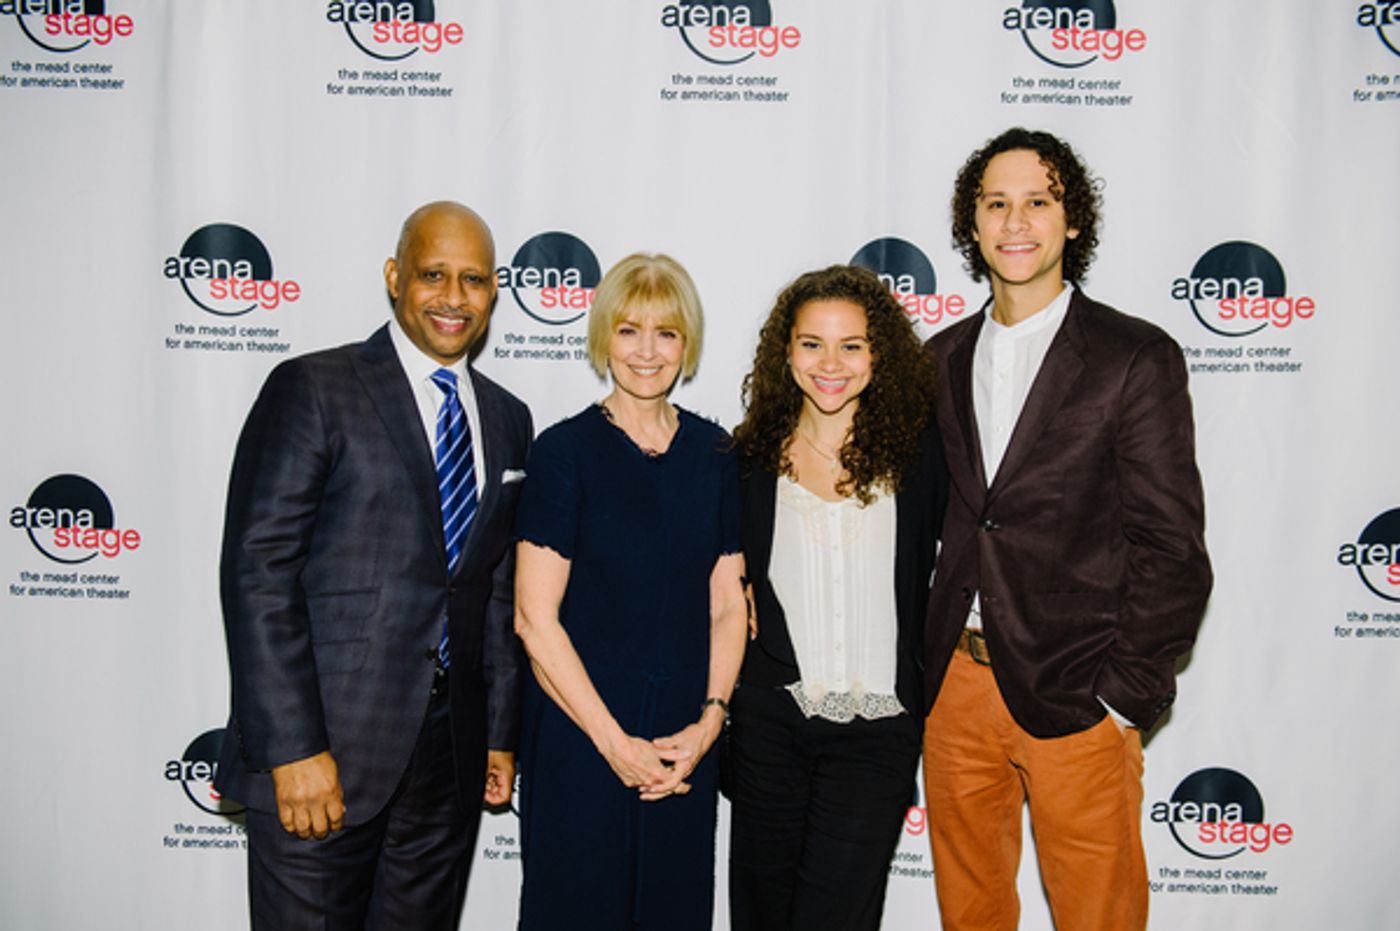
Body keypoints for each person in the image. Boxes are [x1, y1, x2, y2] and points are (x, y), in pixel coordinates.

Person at [921, 127, 1213, 931]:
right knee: (969, 914)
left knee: (1099, 917)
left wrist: (1121, 697)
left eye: (1039, 201)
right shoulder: (939, 357)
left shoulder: (1132, 356)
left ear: (1071, 220)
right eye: (997, 203)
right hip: (956, 691)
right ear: (972, 225)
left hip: (1077, 690)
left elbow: (1172, 546)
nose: (1017, 222)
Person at [215, 201, 532, 930]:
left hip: (447, 764)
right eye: (433, 274)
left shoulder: (509, 418)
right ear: (394, 277)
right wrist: (293, 748)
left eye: (475, 280)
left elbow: (493, 589)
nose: (454, 297)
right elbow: (258, 573)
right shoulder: (315, 389)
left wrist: (498, 734)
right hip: (325, 750)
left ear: (493, 292)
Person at [511, 253, 747, 930]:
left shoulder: (714, 454)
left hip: (682, 744)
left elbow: (729, 602)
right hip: (580, 738)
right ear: (603, 337)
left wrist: (709, 722)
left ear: (688, 343)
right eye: (629, 329)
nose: (647, 351)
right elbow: (534, 619)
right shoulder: (565, 452)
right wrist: (614, 743)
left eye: (666, 332)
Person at [726, 264, 947, 931]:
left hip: (878, 731)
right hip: (771, 726)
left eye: (851, 344)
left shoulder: (922, 456)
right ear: (784, 351)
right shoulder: (745, 459)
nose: (831, 363)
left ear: (879, 353)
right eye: (811, 343)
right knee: (762, 914)